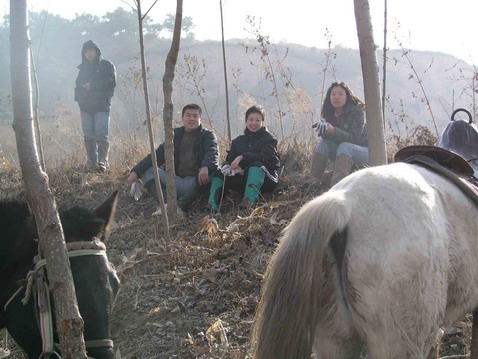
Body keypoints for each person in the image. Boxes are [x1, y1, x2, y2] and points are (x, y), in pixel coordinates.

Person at [127, 104, 219, 213]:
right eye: (188, 115)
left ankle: (181, 205)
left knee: (215, 171)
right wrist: (135, 172)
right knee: (148, 171)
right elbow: (157, 155)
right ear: (182, 118)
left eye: (195, 116)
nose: (191, 119)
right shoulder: (175, 135)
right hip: (175, 182)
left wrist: (206, 166)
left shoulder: (207, 135)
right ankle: (166, 204)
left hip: (197, 182)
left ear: (200, 118)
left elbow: (212, 152)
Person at [206, 106, 280, 213]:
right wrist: (228, 166)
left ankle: (248, 203)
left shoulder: (269, 139)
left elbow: (265, 156)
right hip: (244, 179)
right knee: (219, 172)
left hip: (265, 179)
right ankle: (212, 206)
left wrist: (242, 157)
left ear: (262, 122)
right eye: (251, 119)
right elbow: (230, 159)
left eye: (257, 120)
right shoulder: (238, 141)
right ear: (246, 121)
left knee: (256, 165)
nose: (254, 123)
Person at [311, 81, 368, 186]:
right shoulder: (330, 112)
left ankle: (338, 185)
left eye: (340, 94)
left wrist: (333, 130)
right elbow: (331, 139)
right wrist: (324, 130)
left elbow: (354, 139)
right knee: (324, 143)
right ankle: (313, 181)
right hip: (345, 154)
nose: (336, 97)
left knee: (345, 146)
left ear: (347, 96)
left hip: (365, 153)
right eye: (333, 94)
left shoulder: (357, 111)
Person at [75, 40, 116, 172]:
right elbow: (77, 87)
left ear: (97, 51)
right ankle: (92, 162)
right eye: (86, 51)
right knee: (88, 135)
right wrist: (80, 98)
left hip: (102, 106)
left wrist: (92, 86)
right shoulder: (82, 69)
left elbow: (111, 82)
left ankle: (102, 162)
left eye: (91, 50)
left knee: (101, 134)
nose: (88, 54)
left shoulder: (106, 65)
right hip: (85, 107)